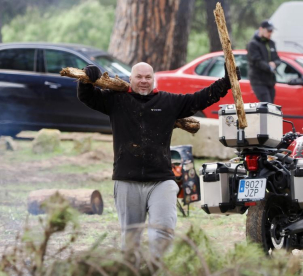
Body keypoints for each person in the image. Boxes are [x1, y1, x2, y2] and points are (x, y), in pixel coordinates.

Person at [77, 62, 240, 256]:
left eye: (148, 77)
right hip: (126, 181)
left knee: (162, 236)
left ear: (154, 79)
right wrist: (86, 78)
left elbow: (200, 99)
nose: (144, 81)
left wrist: (226, 82)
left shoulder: (168, 102)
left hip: (161, 181)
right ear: (130, 79)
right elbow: (87, 97)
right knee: (130, 242)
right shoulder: (116, 100)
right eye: (139, 77)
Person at [247, 20, 281, 103]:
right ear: (261, 29)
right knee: (267, 105)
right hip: (258, 81)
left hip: (270, 81)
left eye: (271, 31)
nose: (270, 33)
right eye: (269, 30)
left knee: (271, 107)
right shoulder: (253, 44)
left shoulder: (271, 43)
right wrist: (269, 67)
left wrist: (274, 64)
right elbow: (257, 61)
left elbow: (277, 59)